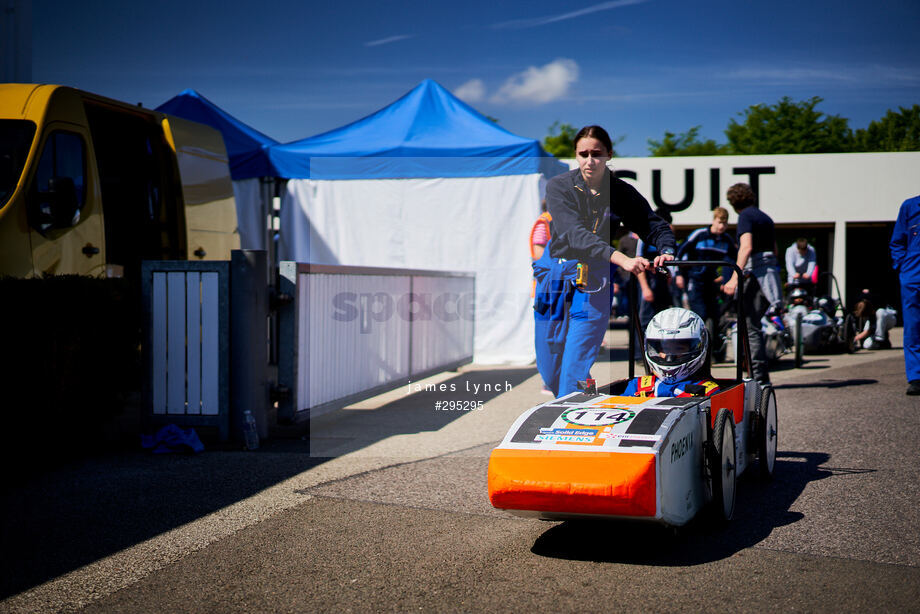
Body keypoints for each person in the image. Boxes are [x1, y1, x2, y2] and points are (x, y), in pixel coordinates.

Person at [534, 125, 676, 397]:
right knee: (549, 367)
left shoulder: (621, 191)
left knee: (575, 363)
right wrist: (620, 258)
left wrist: (666, 249)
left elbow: (652, 224)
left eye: (596, 154)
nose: (590, 160)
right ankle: (581, 395)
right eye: (583, 154)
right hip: (555, 273)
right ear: (576, 156)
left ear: (609, 154)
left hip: (594, 279)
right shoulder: (558, 187)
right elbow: (572, 232)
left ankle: (570, 419)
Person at [721, 183, 782, 385]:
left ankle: (759, 379)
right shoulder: (766, 218)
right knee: (755, 325)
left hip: (757, 275)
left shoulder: (745, 217)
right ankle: (758, 375)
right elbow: (774, 250)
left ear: (733, 202)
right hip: (770, 276)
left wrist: (734, 279)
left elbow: (746, 248)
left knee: (751, 327)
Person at [623, 307, 720, 397]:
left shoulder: (707, 390)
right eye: (665, 349)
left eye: (678, 349)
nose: (669, 357)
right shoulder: (637, 386)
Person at [675, 206, 738, 328]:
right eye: (720, 222)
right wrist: (678, 275)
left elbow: (736, 261)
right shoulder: (699, 234)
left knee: (715, 315)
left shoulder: (727, 240)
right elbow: (679, 253)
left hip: (711, 282)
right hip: (694, 280)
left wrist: (730, 280)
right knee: (700, 314)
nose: (722, 226)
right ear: (714, 220)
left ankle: (714, 345)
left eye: (725, 224)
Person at [889, 195, 920, 395]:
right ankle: (917, 377)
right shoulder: (910, 206)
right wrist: (903, 267)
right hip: (913, 276)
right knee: (913, 326)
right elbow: (897, 241)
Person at [636, 209, 678, 336]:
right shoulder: (644, 238)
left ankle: (661, 351)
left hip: (662, 283)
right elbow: (639, 263)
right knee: (644, 319)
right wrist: (645, 288)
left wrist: (670, 275)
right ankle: (640, 353)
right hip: (648, 281)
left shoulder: (669, 238)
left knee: (663, 319)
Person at [530, 202, 554, 395]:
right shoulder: (544, 223)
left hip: (553, 289)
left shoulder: (554, 222)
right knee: (547, 336)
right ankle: (548, 380)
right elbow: (539, 256)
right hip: (546, 290)